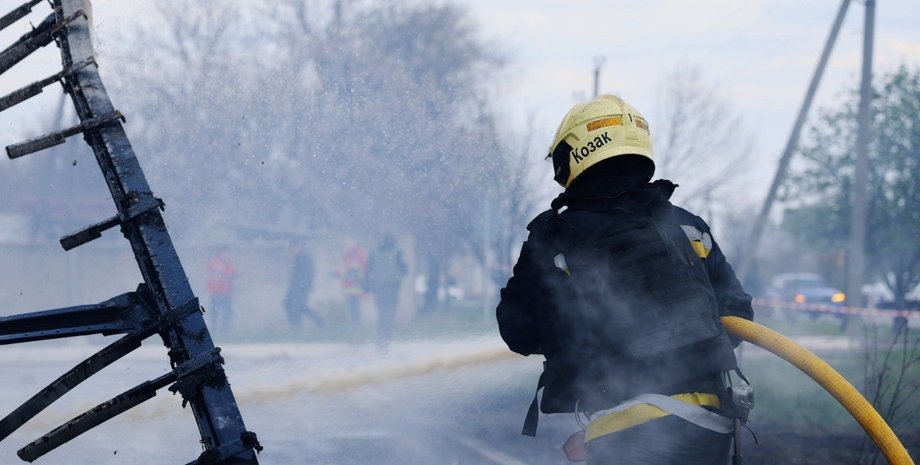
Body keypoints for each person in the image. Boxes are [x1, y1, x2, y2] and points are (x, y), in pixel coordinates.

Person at [496, 95, 754, 465]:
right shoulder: (685, 226)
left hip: (622, 428)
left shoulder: (555, 238)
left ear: (573, 156)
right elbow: (738, 315)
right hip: (708, 424)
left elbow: (518, 331)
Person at [365, 234, 407, 350]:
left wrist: (367, 285)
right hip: (392, 287)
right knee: (389, 314)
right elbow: (404, 269)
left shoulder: (374, 253)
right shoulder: (397, 252)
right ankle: (385, 340)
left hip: (379, 287)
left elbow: (368, 269)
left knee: (382, 314)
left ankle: (380, 340)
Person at [284, 242, 324, 328]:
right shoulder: (298, 258)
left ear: (301, 247)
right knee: (290, 304)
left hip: (301, 287)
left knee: (298, 306)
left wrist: (303, 285)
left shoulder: (304, 257)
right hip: (296, 287)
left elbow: (307, 273)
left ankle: (317, 321)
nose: (293, 250)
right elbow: (296, 274)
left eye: (295, 247)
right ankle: (296, 324)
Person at [338, 239, 368, 324]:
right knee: (352, 303)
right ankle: (355, 320)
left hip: (354, 283)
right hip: (350, 283)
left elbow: (358, 267)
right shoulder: (349, 254)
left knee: (354, 303)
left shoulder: (356, 253)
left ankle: (356, 321)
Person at [207, 247, 237, 330]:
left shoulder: (226, 262)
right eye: (225, 252)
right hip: (217, 291)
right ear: (220, 252)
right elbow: (226, 273)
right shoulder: (216, 262)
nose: (227, 254)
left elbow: (232, 272)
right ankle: (215, 328)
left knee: (226, 311)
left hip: (226, 291)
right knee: (216, 311)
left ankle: (225, 328)